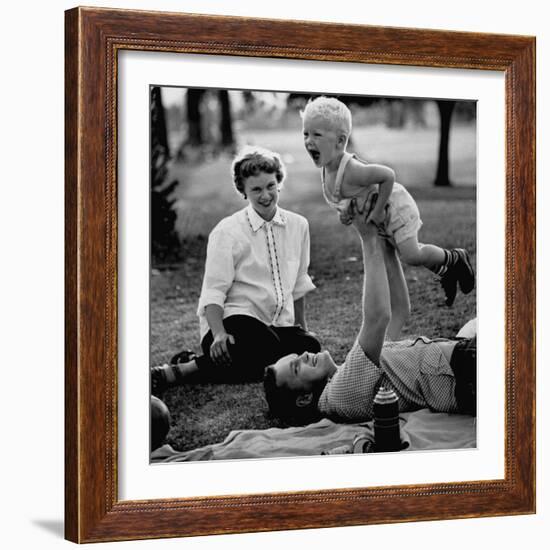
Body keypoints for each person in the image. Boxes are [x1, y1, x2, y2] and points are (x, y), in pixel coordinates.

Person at [264, 204, 476, 425]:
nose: (304, 355)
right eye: (297, 367)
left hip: (463, 357)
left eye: (296, 357)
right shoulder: (339, 394)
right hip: (467, 370)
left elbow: (399, 310)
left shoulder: (353, 371)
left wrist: (385, 245)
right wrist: (368, 237)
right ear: (305, 398)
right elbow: (378, 318)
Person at [152, 146, 320, 395]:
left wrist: (301, 328)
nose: (265, 195)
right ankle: (180, 372)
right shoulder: (227, 231)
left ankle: (194, 363)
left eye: (270, 186)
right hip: (234, 325)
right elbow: (213, 291)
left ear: (279, 182)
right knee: (264, 345)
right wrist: (218, 334)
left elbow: (299, 283)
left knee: (311, 346)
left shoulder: (298, 226)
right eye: (256, 189)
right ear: (243, 191)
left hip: (274, 327)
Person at [301, 96, 475, 306]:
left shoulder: (353, 170)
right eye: (305, 134)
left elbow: (388, 176)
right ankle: (445, 272)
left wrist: (375, 212)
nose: (309, 140)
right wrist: (345, 213)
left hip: (396, 208)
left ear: (340, 141)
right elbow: (347, 200)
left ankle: (454, 258)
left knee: (411, 255)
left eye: (316, 135)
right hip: (383, 219)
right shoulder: (327, 171)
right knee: (407, 252)